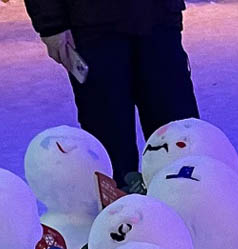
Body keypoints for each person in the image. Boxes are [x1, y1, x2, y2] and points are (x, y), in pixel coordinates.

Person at [25, 0, 201, 186]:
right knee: (110, 143)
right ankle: (120, 207)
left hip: (158, 19)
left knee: (179, 132)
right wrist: (50, 24)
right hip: (91, 28)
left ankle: (188, 202)